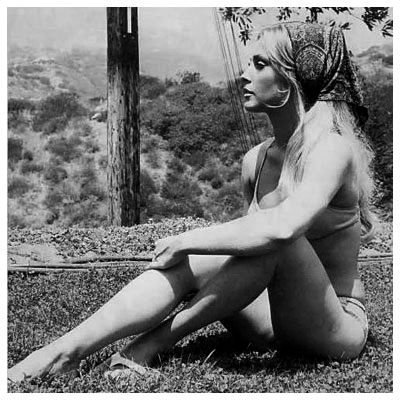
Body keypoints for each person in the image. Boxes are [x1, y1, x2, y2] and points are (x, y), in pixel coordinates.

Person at [8, 21, 375, 383]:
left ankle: (148, 346)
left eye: (260, 64)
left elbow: (282, 228)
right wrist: (190, 251)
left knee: (275, 241)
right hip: (271, 319)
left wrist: (185, 239)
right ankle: (63, 351)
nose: (244, 75)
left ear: (291, 81)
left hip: (333, 326)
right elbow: (246, 245)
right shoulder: (256, 159)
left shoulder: (331, 149)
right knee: (205, 257)